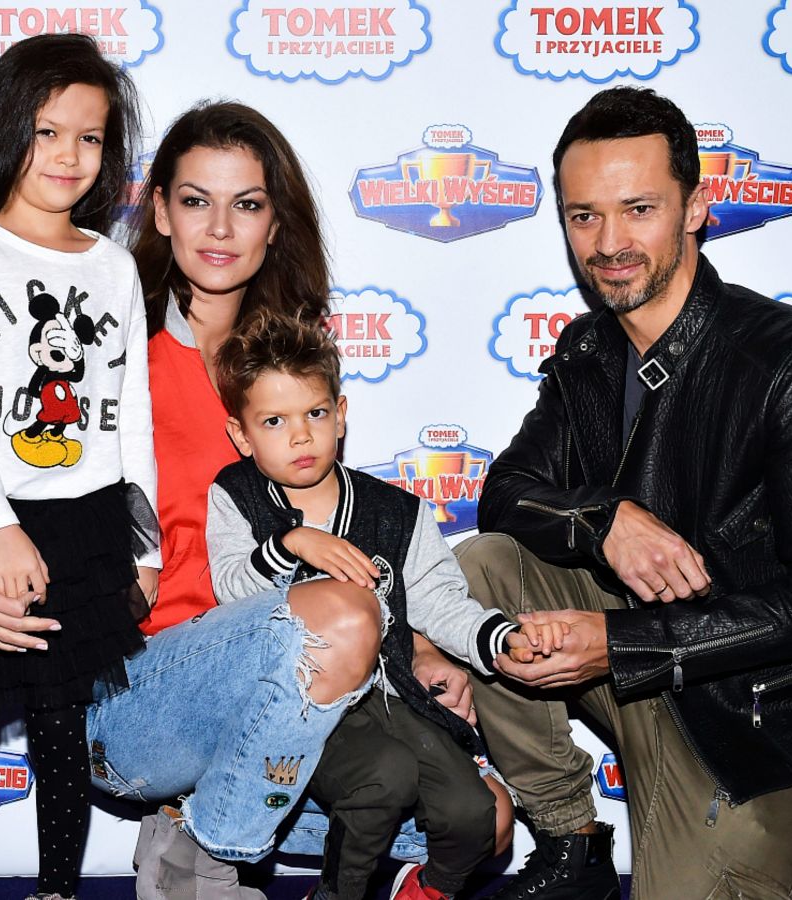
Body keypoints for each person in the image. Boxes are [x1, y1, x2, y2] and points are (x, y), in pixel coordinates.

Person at [0, 100, 459, 899]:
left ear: (275, 223)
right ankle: (209, 851)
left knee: (478, 819)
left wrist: (419, 646)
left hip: (278, 684)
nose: (220, 229)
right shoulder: (106, 342)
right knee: (335, 622)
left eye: (247, 204)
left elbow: (343, 525)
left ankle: (191, 823)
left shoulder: (292, 372)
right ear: (159, 210)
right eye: (196, 200)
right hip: (132, 691)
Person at [456, 86, 792, 900]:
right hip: (648, 677)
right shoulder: (589, 352)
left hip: (765, 724)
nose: (608, 243)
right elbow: (507, 495)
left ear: (695, 208)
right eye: (584, 216)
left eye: (639, 209)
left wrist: (620, 646)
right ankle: (570, 840)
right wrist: (605, 520)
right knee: (482, 567)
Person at [0, 33, 159, 900]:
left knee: (60, 729)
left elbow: (128, 419)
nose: (69, 155)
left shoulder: (114, 267)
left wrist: (147, 549)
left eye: (89, 137)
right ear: (9, 128)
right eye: (48, 131)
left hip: (88, 525)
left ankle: (56, 891)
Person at [207, 311, 545, 900]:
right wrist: (291, 544)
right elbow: (230, 592)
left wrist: (499, 637)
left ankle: (425, 889)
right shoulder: (234, 493)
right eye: (274, 421)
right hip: (298, 701)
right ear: (242, 435)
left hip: (391, 694)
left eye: (315, 414)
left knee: (474, 814)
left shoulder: (395, 510)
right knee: (381, 778)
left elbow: (439, 601)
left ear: (340, 415)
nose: (300, 436)